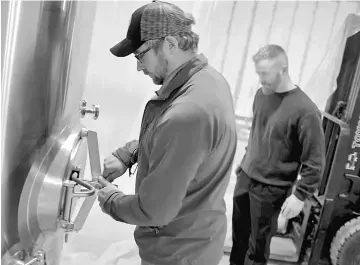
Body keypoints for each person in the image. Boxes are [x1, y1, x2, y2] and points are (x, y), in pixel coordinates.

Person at [96, 1, 237, 265]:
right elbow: (181, 144)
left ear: (170, 44)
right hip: (197, 238)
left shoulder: (187, 114)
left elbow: (152, 212)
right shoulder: (208, 81)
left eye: (140, 55)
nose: (138, 67)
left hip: (177, 255)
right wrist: (131, 153)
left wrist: (110, 199)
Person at [229, 44, 326, 265]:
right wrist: (244, 165)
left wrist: (300, 196)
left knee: (256, 249)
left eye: (264, 74)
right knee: (239, 240)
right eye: (258, 73)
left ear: (282, 70)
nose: (260, 79)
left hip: (271, 189)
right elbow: (258, 134)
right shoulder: (262, 96)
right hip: (246, 178)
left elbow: (315, 161)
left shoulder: (306, 111)